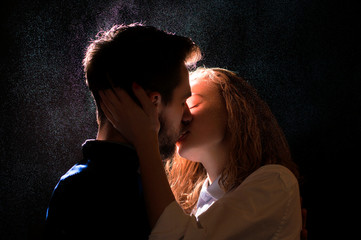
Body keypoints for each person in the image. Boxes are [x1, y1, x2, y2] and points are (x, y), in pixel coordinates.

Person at [100, 67, 304, 239]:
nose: (182, 117)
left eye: (192, 104)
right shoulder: (194, 204)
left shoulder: (276, 182)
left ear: (234, 108)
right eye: (179, 107)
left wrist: (145, 138)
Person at [44, 23, 201, 239]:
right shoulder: (101, 194)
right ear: (152, 102)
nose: (187, 116)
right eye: (183, 101)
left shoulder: (79, 185)